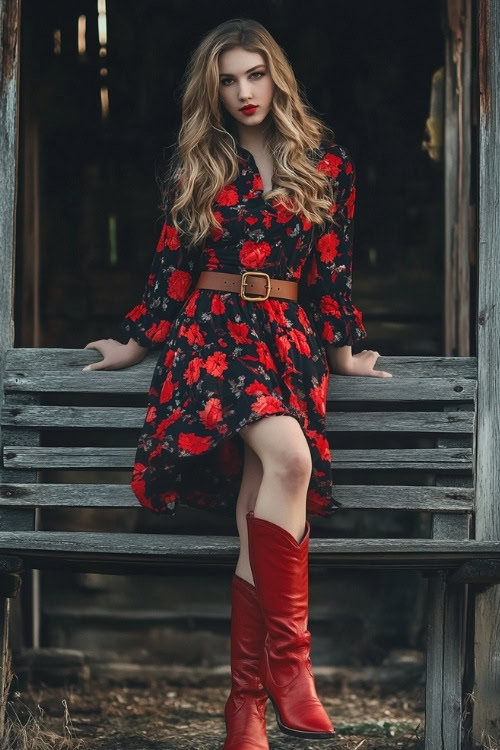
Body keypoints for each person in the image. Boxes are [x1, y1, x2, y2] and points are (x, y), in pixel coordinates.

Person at [83, 17, 392, 749]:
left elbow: (330, 271)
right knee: (291, 460)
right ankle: (293, 671)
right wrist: (134, 344)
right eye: (228, 80)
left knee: (262, 497)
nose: (243, 91)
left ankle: (245, 706)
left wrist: (345, 351)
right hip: (212, 337)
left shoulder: (325, 164)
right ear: (212, 90)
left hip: (288, 341)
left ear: (275, 76)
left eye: (255, 74)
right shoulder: (198, 165)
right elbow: (169, 271)